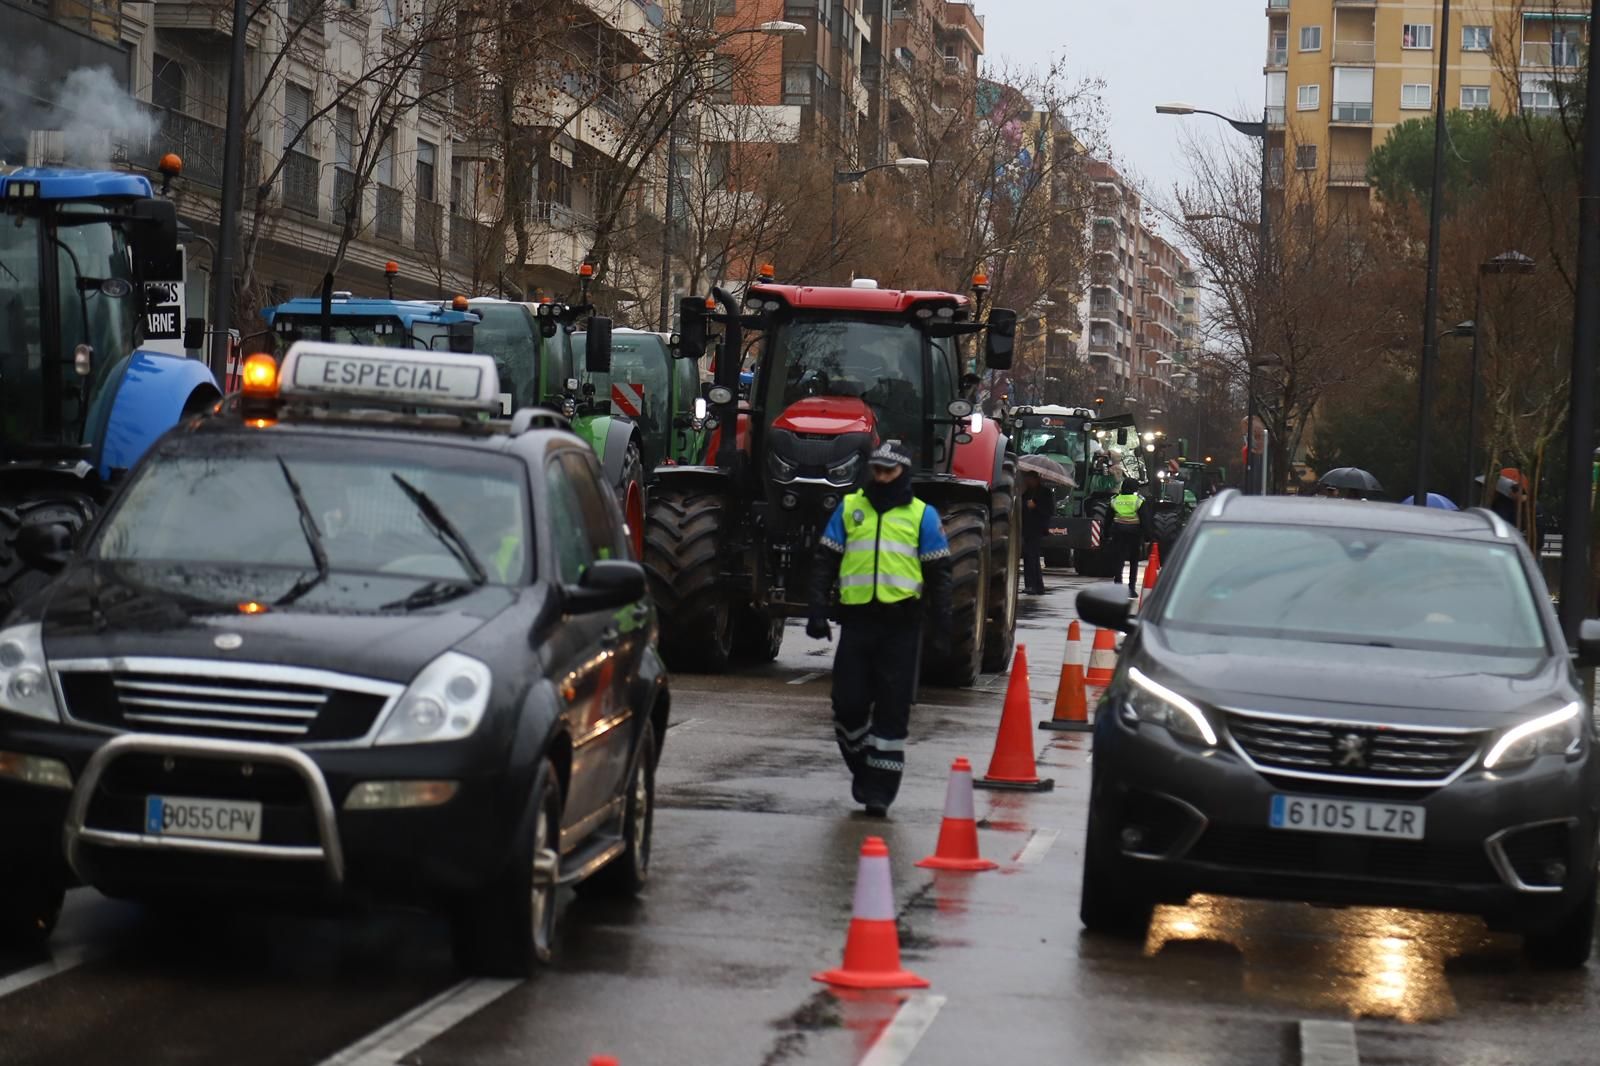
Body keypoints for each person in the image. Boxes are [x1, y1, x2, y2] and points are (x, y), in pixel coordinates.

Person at [807, 441, 953, 817]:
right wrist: (818, 610)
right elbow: (826, 559)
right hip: (857, 623)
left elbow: (940, 576)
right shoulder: (851, 508)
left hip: (902, 628)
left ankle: (880, 793)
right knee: (847, 704)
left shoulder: (923, 516)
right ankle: (863, 764)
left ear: (902, 472)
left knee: (892, 711)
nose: (882, 477)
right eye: (877, 470)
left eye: (889, 471)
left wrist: (942, 625)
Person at [1108, 476, 1148, 597]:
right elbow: (1144, 519)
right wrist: (1147, 536)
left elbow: (1108, 518)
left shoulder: (1114, 500)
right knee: (1133, 561)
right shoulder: (1139, 501)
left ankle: (1118, 586)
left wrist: (1106, 533)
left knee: (1118, 560)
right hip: (1134, 534)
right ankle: (1131, 588)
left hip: (1118, 533)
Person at [1019, 468, 1052, 595]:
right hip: (1027, 528)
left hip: (1037, 528)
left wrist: (1036, 507)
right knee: (1031, 557)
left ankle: (1032, 586)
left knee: (1031, 556)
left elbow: (1048, 510)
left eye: (1029, 479)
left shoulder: (1045, 492)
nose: (1027, 482)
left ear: (1036, 479)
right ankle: (1037, 586)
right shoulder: (1027, 492)